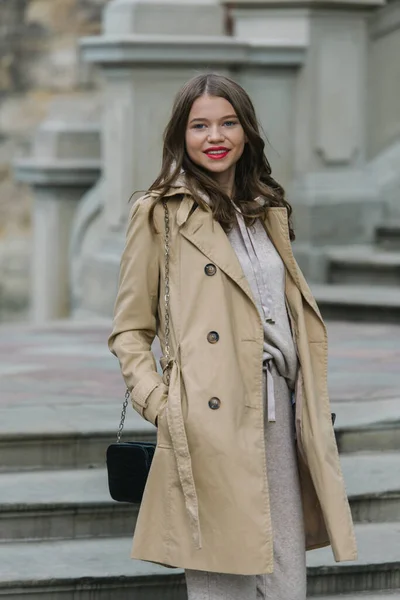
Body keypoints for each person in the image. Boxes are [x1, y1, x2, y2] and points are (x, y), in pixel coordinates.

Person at [108, 73, 357, 600]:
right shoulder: (159, 213)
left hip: (281, 413)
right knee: (225, 583)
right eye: (199, 125)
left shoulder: (266, 210)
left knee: (285, 578)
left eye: (227, 122)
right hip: (210, 422)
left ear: (246, 133)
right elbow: (130, 328)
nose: (214, 136)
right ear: (182, 135)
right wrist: (164, 404)